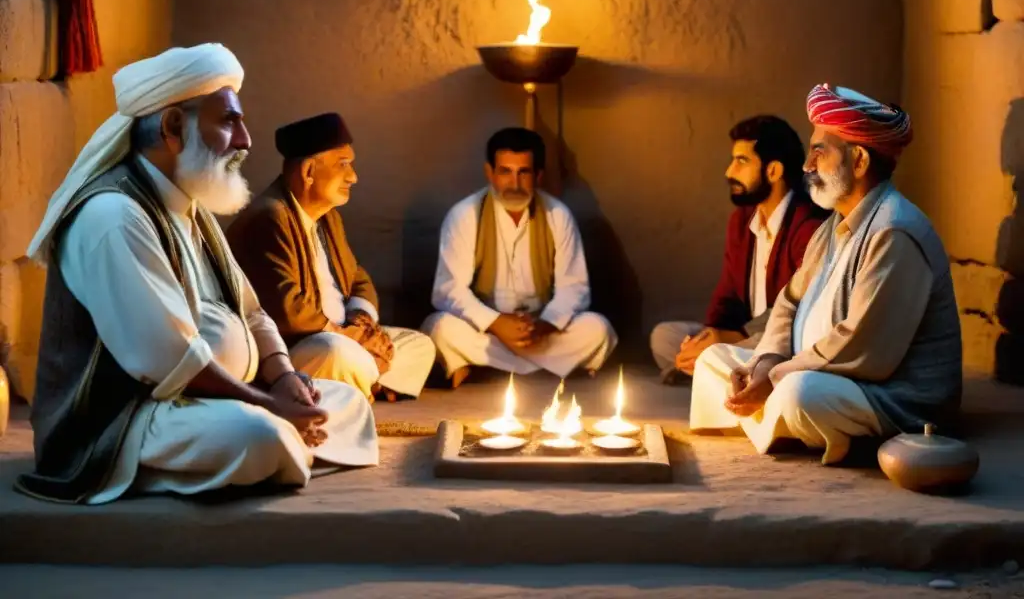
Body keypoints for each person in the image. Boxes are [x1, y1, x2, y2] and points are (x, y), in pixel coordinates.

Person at [15, 44, 378, 505]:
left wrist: (284, 377)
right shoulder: (114, 215)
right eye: (229, 121)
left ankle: (277, 444)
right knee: (260, 435)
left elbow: (252, 312)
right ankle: (266, 446)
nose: (246, 139)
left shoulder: (190, 206)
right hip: (131, 417)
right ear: (172, 127)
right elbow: (167, 360)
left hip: (219, 398)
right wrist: (265, 403)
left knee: (347, 405)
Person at [689, 84, 962, 465]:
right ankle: (782, 422)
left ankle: (788, 421)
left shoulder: (893, 231)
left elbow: (862, 348)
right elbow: (788, 303)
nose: (807, 165)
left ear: (860, 161)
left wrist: (773, 378)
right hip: (808, 367)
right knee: (714, 360)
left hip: (884, 394)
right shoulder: (832, 225)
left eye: (820, 151)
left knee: (799, 394)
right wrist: (765, 364)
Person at [227, 112, 436, 402]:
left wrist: (362, 323)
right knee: (336, 353)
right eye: (343, 165)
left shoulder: (329, 218)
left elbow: (358, 278)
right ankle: (363, 382)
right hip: (296, 348)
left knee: (419, 345)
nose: (353, 176)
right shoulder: (270, 217)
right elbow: (287, 309)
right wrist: (350, 337)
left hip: (346, 334)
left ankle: (359, 383)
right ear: (308, 172)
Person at [422, 127, 616, 387]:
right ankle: (550, 370)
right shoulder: (465, 215)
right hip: (487, 330)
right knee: (440, 328)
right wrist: (496, 323)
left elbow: (575, 288)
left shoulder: (557, 215)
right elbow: (449, 290)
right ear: (489, 173)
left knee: (597, 329)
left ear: (537, 175)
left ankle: (490, 369)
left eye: (523, 173)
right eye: (505, 172)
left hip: (539, 331)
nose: (514, 184)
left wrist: (544, 325)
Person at [651, 116, 827, 381]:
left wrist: (734, 338)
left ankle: (714, 372)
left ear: (773, 171)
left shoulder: (808, 225)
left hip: (778, 339)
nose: (729, 172)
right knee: (665, 337)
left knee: (765, 350)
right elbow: (728, 292)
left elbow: (796, 308)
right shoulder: (743, 220)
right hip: (742, 338)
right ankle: (714, 370)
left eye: (742, 161)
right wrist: (710, 335)